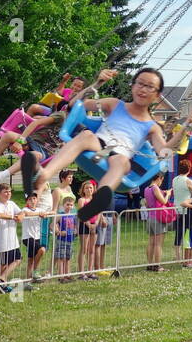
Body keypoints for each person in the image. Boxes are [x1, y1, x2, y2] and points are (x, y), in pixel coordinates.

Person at [48, 69, 176, 227]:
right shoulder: (115, 104)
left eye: (150, 86)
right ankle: (45, 173)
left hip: (119, 156)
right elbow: (75, 104)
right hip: (100, 146)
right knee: (86, 135)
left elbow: (164, 152)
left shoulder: (152, 127)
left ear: (157, 95)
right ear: (133, 86)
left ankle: (98, 201)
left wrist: (184, 130)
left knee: (122, 162)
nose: (143, 89)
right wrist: (98, 83)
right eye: (140, 84)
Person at [0, 183, 21, 290]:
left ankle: (1, 279)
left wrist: (21, 216)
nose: (8, 194)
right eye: (5, 192)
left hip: (12, 239)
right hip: (3, 239)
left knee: (17, 259)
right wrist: (12, 217)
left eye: (9, 191)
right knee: (3, 263)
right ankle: (1, 282)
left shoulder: (11, 204)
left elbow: (21, 212)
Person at [18, 191, 48, 286]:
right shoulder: (25, 209)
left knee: (31, 258)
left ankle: (28, 279)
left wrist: (44, 213)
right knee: (42, 250)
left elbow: (49, 212)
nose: (32, 201)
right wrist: (39, 214)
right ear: (27, 201)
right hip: (28, 237)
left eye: (34, 199)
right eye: (30, 199)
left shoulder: (39, 209)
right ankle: (35, 272)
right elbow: (25, 214)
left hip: (37, 237)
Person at [144, 172, 173, 271]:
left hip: (150, 218)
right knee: (158, 244)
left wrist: (163, 192)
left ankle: (150, 264)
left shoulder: (147, 189)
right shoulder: (155, 188)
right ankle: (157, 265)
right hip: (158, 218)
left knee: (151, 242)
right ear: (159, 178)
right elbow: (164, 201)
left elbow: (148, 204)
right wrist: (168, 194)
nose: (161, 182)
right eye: (162, 180)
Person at [51, 195, 77, 279]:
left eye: (71, 205)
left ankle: (67, 274)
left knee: (68, 258)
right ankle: (61, 276)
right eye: (67, 204)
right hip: (62, 240)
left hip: (70, 240)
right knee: (61, 258)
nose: (69, 206)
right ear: (63, 205)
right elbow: (52, 224)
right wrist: (58, 231)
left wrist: (76, 231)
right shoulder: (61, 215)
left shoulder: (73, 215)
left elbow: (75, 226)